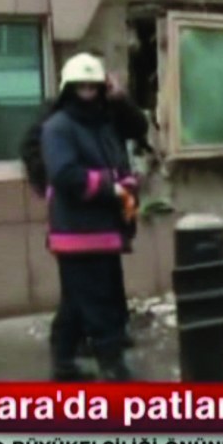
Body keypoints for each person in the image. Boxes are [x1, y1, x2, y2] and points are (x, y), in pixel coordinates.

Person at [40, 52, 147, 381]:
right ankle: (113, 367)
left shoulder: (103, 122)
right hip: (78, 231)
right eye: (81, 86)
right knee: (100, 302)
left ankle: (63, 364)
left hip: (103, 229)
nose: (87, 91)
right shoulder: (58, 127)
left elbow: (130, 137)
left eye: (93, 86)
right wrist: (110, 188)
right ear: (68, 89)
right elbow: (65, 174)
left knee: (75, 302)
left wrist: (125, 183)